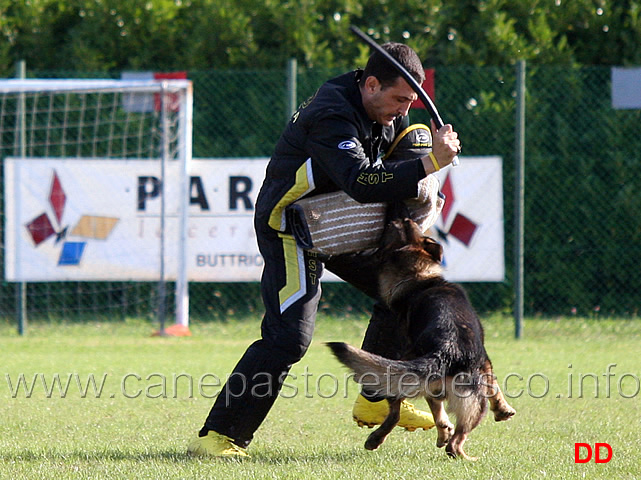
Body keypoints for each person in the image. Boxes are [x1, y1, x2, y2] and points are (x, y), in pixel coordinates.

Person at [188, 42, 461, 457]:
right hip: (291, 228)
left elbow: (390, 166)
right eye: (398, 99)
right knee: (289, 338)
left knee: (410, 292)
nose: (404, 110)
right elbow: (360, 181)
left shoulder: (385, 113)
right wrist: (428, 165)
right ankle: (218, 437)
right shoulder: (331, 113)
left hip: (340, 226)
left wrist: (421, 153)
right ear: (371, 85)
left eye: (411, 101)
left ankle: (375, 396)